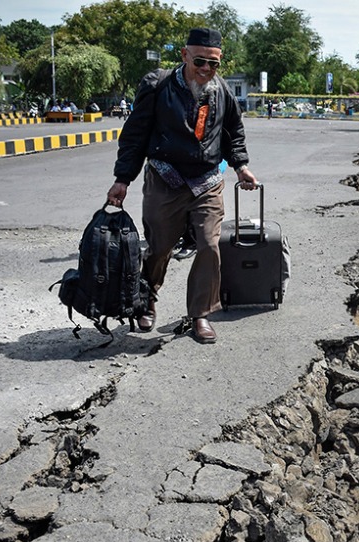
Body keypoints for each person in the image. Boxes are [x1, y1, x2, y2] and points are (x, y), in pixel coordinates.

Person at [106, 27, 258, 344]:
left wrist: (241, 166)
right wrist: (123, 179)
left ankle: (199, 314)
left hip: (207, 181)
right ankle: (146, 300)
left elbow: (233, 133)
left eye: (213, 64)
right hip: (165, 178)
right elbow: (135, 135)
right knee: (160, 248)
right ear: (184, 55)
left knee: (209, 245)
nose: (205, 69)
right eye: (200, 61)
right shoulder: (157, 86)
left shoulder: (222, 92)